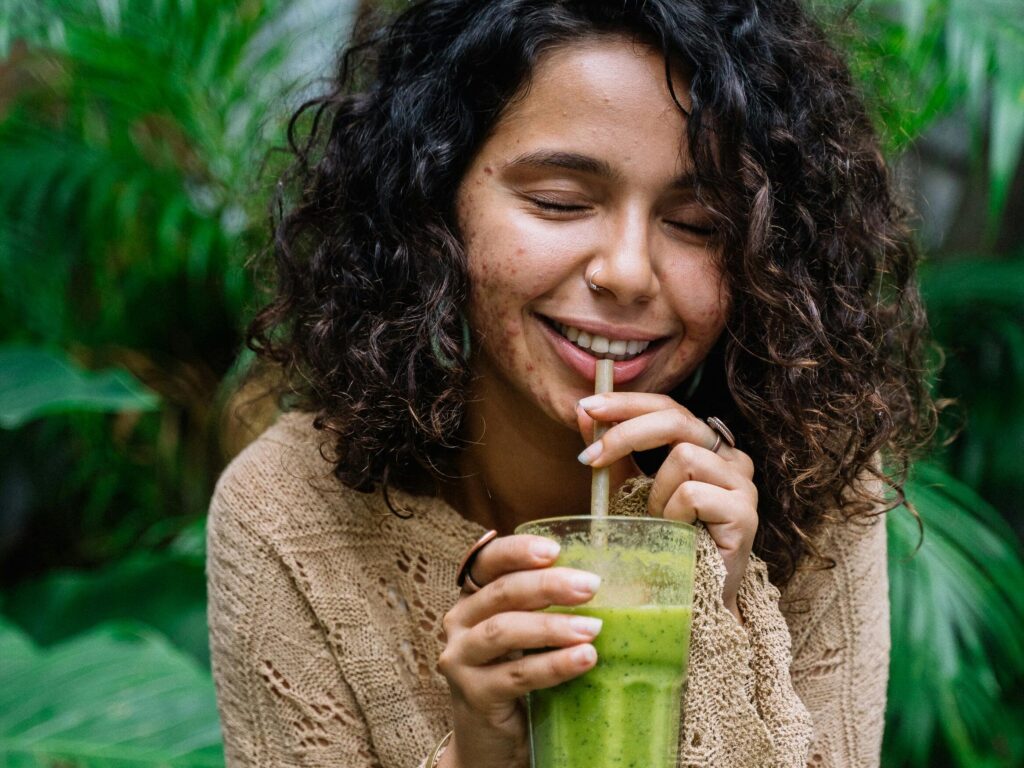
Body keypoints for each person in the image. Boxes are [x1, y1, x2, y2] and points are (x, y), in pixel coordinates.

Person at [206, 1, 935, 766]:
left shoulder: (814, 480)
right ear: (432, 202)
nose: (626, 272)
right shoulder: (290, 517)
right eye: (560, 202)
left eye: (697, 222)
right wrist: (477, 757)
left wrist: (718, 616)